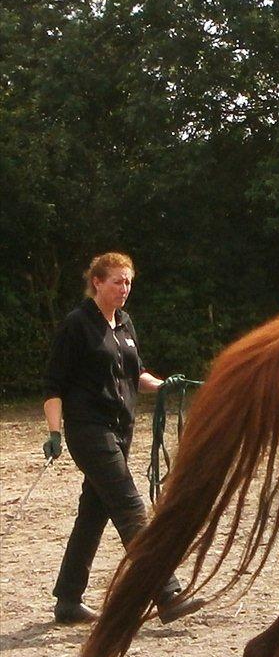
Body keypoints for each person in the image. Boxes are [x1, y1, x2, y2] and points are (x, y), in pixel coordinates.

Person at [42, 251, 203, 625]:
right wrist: (54, 432)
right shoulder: (76, 326)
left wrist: (165, 386)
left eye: (128, 282)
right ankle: (166, 592)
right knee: (131, 507)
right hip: (89, 431)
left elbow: (136, 375)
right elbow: (53, 385)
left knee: (93, 514)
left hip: (121, 431)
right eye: (118, 281)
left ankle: (68, 599)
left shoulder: (125, 324)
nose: (124, 288)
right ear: (97, 282)